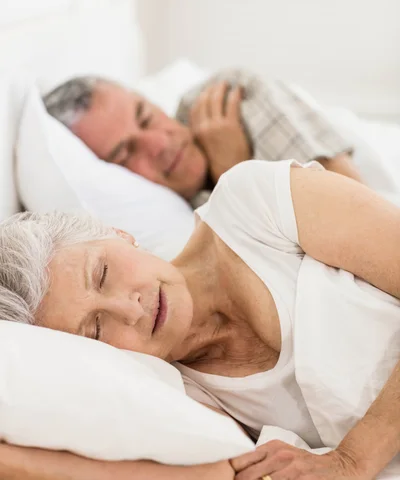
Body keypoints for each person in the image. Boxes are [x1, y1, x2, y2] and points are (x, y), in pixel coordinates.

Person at [1, 159, 400, 479]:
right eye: (98, 329)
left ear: (117, 233)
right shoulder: (180, 397)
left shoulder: (253, 203)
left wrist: (353, 460)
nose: (131, 308)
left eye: (102, 274)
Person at [43, 69, 362, 207]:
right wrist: (235, 172)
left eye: (145, 116)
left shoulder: (231, 96)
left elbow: (358, 207)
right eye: (124, 154)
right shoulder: (178, 233)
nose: (158, 143)